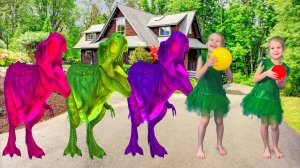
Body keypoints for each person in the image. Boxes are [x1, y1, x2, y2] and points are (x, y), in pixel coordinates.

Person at [241, 36, 290, 159]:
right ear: (269, 51)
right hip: (261, 98)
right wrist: (267, 73)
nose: (275, 50)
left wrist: (279, 83)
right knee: (265, 124)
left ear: (283, 50)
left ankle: (276, 147)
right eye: (272, 48)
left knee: (274, 126)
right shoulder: (264, 62)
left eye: (278, 47)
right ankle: (266, 147)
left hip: (273, 99)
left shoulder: (285, 68)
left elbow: (282, 86)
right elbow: (255, 79)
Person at [186, 32, 232, 159]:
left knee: (219, 121)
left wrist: (227, 66)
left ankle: (219, 144)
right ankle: (200, 147)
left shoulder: (222, 58)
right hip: (205, 94)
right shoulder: (202, 56)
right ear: (206, 43)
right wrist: (208, 64)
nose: (214, 42)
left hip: (218, 94)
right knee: (205, 121)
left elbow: (230, 78)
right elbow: (198, 76)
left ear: (222, 46)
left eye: (218, 41)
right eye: (211, 40)